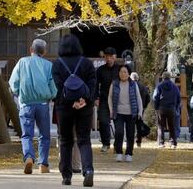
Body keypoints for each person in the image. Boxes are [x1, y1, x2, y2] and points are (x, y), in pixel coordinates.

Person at [53, 34, 97, 187]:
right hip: (85, 106)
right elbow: (93, 83)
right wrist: (85, 100)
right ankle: (88, 170)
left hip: (64, 107)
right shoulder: (87, 63)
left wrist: (70, 102)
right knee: (84, 139)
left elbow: (58, 87)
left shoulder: (57, 64)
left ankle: (66, 176)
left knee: (66, 141)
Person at [9, 38, 57, 175]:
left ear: (31, 49)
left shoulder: (21, 62)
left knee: (26, 135)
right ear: (45, 51)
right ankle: (43, 164)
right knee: (44, 135)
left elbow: (13, 83)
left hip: (25, 104)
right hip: (42, 104)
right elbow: (53, 86)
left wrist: (19, 93)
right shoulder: (48, 65)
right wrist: (51, 95)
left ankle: (29, 157)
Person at [108, 66, 143, 162]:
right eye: (121, 72)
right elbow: (110, 98)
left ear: (128, 74)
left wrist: (140, 111)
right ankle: (119, 152)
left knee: (130, 133)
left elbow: (138, 98)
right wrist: (111, 110)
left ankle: (129, 153)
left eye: (125, 72)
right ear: (118, 73)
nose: (123, 74)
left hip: (131, 113)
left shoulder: (133, 84)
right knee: (119, 132)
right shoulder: (114, 84)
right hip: (118, 112)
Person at [95, 47, 121, 153]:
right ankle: (106, 143)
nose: (109, 59)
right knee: (103, 121)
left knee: (119, 123)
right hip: (104, 99)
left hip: (118, 99)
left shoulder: (120, 69)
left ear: (115, 57)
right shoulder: (100, 70)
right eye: (107, 57)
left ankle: (117, 145)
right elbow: (95, 84)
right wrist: (96, 98)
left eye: (111, 57)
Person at [152, 72, 181, 148]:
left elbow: (155, 97)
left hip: (162, 108)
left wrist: (156, 107)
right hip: (172, 108)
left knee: (161, 126)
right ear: (170, 77)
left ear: (163, 77)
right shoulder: (175, 86)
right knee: (172, 126)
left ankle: (161, 143)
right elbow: (178, 98)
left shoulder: (159, 86)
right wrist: (176, 107)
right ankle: (173, 143)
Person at [131, 72, 151, 147]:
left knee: (131, 125)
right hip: (140, 108)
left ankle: (131, 140)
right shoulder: (143, 87)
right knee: (139, 125)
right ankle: (139, 141)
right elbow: (148, 98)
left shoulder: (130, 86)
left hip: (131, 108)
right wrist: (144, 106)